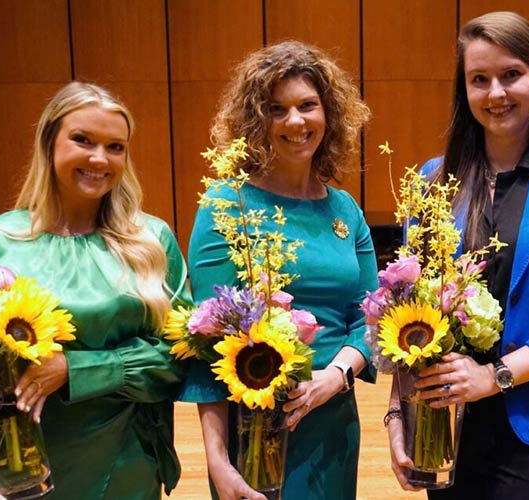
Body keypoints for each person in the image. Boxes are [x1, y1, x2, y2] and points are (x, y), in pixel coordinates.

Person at [385, 11, 529, 499]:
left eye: (511, 75)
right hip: (443, 421)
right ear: (465, 91)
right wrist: (398, 413)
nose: (496, 93)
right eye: (479, 79)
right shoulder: (434, 179)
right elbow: (408, 311)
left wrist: (492, 378)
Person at [0, 82, 191, 500]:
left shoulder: (151, 240)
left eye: (115, 147)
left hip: (127, 460)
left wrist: (75, 370)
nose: (100, 159)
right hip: (24, 461)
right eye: (83, 140)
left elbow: (179, 358)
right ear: (49, 143)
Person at [177, 40, 376, 500]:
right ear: (255, 120)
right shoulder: (227, 205)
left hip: (333, 423)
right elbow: (206, 344)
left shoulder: (345, 209)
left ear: (329, 114)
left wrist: (337, 376)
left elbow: (369, 316)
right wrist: (216, 459)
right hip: (255, 431)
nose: (295, 122)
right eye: (276, 109)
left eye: (307, 106)